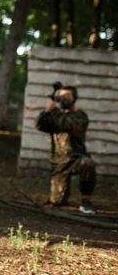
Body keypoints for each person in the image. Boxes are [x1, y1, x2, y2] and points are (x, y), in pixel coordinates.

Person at [35, 85, 96, 214]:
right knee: (57, 201)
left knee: (88, 164)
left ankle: (86, 200)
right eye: (61, 97)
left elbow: (67, 124)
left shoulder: (80, 116)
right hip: (59, 163)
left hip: (76, 159)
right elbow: (39, 125)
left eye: (67, 97)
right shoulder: (55, 116)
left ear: (75, 98)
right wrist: (47, 111)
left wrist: (54, 110)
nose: (64, 100)